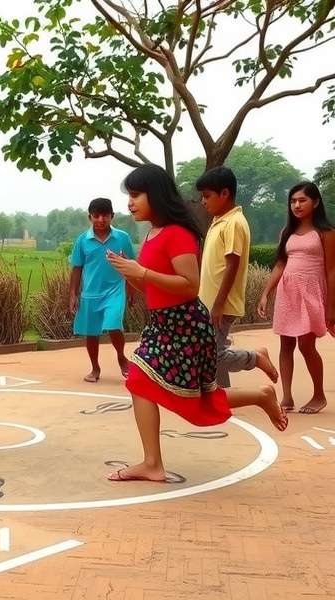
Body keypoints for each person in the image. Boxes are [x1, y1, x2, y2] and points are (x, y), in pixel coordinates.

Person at [106, 164, 287, 483]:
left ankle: (260, 396)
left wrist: (142, 272)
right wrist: (131, 275)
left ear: (156, 195)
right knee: (143, 383)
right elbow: (152, 286)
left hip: (185, 326)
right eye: (129, 196)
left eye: (136, 195)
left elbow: (190, 285)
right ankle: (152, 463)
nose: (129, 203)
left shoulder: (178, 234)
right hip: (161, 325)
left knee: (196, 401)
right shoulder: (151, 234)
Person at [196, 166, 278, 387]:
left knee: (213, 354)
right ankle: (222, 390)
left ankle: (255, 358)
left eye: (207, 196)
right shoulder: (219, 221)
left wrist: (219, 304)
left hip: (221, 304)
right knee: (212, 349)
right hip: (210, 302)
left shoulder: (234, 223)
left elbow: (233, 264)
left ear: (224, 193)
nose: (203, 201)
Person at [258, 182, 335, 414]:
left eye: (302, 200)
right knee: (286, 344)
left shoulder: (326, 233)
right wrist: (265, 293)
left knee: (306, 345)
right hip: (288, 293)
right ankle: (287, 396)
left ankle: (319, 395)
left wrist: (331, 307)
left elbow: (332, 270)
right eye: (293, 201)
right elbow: (281, 263)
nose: (297, 205)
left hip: (311, 293)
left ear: (316, 202)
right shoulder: (287, 232)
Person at [68, 197, 135, 382]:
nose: (100, 220)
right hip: (90, 293)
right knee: (91, 332)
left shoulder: (122, 238)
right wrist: (73, 294)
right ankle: (95, 368)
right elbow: (77, 268)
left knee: (114, 324)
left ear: (112, 216)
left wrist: (131, 289)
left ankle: (121, 357)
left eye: (105, 215)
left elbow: (131, 265)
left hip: (115, 291)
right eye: (96, 215)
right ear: (90, 217)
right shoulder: (82, 240)